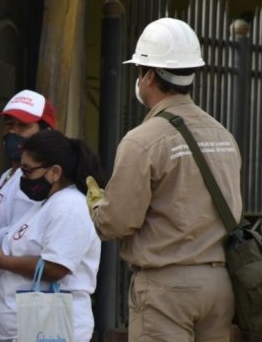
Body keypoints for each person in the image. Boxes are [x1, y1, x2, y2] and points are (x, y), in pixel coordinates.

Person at [87, 17, 242, 341]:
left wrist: (97, 205)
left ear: (150, 75)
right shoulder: (223, 135)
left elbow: (117, 222)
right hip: (220, 286)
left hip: (166, 289)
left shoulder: (143, 139)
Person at [0, 129, 105, 342]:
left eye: (28, 170)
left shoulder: (70, 206)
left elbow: (56, 267)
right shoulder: (48, 203)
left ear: (55, 172)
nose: (23, 177)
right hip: (26, 330)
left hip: (47, 330)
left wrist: (2, 261)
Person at [0, 89, 56, 342]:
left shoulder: (36, 180)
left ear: (45, 132)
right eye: (8, 123)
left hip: (15, 300)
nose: (12, 132)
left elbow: (23, 232)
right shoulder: (10, 174)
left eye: (23, 126)